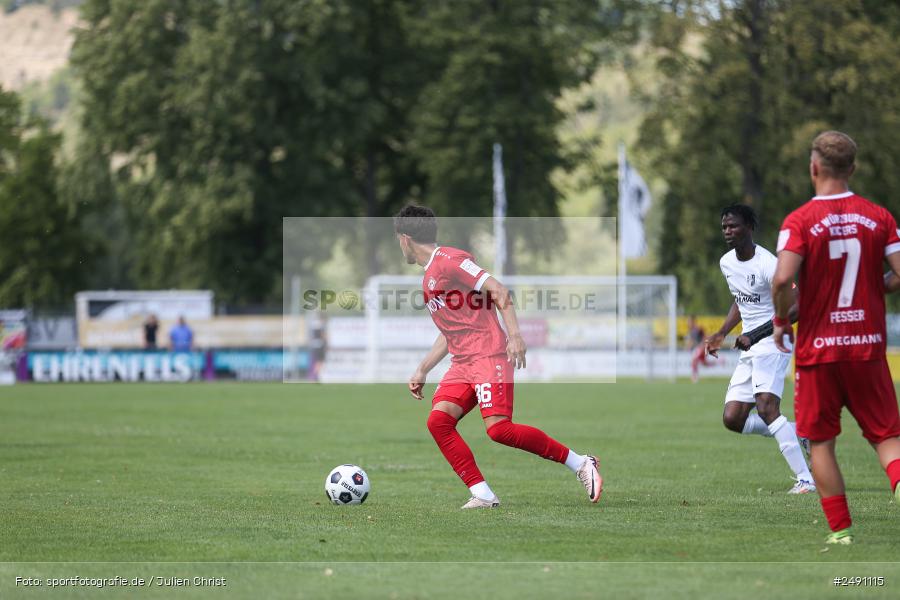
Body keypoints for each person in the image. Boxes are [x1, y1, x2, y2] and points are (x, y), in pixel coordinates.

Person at [395, 204, 602, 509]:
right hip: (463, 363)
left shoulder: (451, 261)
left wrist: (516, 335)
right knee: (438, 422)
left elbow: (499, 290)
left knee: (499, 429)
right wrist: (423, 368)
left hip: (489, 353)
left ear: (405, 238)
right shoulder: (428, 278)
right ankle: (482, 494)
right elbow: (452, 331)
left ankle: (581, 463)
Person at [772, 130, 900, 545]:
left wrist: (780, 320)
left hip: (818, 353)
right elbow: (899, 272)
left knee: (822, 443)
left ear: (814, 167)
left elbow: (783, 277)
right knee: (887, 437)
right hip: (866, 349)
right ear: (853, 168)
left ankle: (841, 532)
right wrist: (876, 285)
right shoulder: (880, 216)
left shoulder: (800, 221)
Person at [704, 204, 814, 494]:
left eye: (734, 226)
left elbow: (798, 307)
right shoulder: (727, 262)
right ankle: (798, 432)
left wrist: (756, 334)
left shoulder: (769, 264)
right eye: (725, 226)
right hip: (750, 344)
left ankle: (806, 479)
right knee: (733, 418)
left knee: (767, 408)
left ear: (749, 228)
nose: (728, 231)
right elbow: (742, 301)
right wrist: (721, 332)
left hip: (774, 342)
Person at [686, 315, 710, 382]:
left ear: (693, 321)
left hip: (702, 347)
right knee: (704, 363)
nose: (688, 323)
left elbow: (706, 337)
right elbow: (693, 341)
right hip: (699, 348)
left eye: (689, 321)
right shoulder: (691, 331)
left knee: (694, 360)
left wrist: (703, 345)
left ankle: (694, 377)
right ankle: (720, 362)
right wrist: (689, 346)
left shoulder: (698, 329)